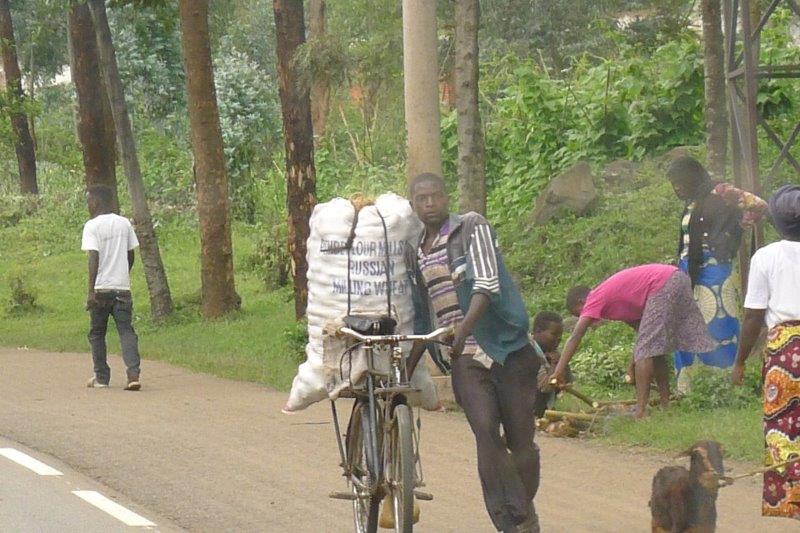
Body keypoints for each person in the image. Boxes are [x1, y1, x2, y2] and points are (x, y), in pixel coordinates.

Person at [405, 173, 540, 533]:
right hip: (463, 356)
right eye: (422, 198)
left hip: (507, 347)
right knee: (485, 432)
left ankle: (523, 507)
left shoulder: (472, 228)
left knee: (521, 442)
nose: (430, 203)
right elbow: (422, 314)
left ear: (447, 198)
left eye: (435, 196)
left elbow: (486, 284)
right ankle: (513, 523)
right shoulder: (415, 249)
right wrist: (409, 368)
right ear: (413, 205)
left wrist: (463, 331)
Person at [552, 264, 715, 418]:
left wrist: (559, 370)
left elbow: (575, 337)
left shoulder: (595, 298)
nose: (584, 317)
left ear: (581, 302)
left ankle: (641, 411)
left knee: (646, 352)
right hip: (676, 278)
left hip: (664, 283)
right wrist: (633, 362)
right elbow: (643, 335)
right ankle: (666, 404)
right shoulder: (614, 303)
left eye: (578, 313)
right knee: (654, 349)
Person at [666, 156, 767, 389]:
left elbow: (759, 205)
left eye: (680, 181)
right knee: (686, 323)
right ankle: (690, 387)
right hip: (688, 270)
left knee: (717, 322)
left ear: (692, 177)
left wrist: (742, 224)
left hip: (715, 268)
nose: (677, 187)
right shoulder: (691, 202)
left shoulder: (720, 191)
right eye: (674, 184)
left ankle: (723, 384)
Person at [732, 185, 800, 520]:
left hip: (785, 352)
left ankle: (792, 504)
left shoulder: (766, 257)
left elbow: (754, 316)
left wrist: (740, 360)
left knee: (784, 429)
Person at [81, 185, 142, 391]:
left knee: (97, 333)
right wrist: (122, 274)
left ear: (96, 202)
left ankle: (102, 377)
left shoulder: (92, 226)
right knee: (126, 331)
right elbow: (130, 255)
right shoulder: (124, 223)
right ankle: (133, 374)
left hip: (101, 290)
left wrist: (91, 291)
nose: (88, 205)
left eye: (89, 201)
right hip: (122, 289)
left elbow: (93, 257)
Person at [530, 311, 568, 417]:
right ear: (538, 331)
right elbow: (546, 386)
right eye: (554, 334)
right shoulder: (529, 352)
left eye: (560, 335)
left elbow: (566, 383)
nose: (559, 338)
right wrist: (555, 363)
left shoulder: (549, 351)